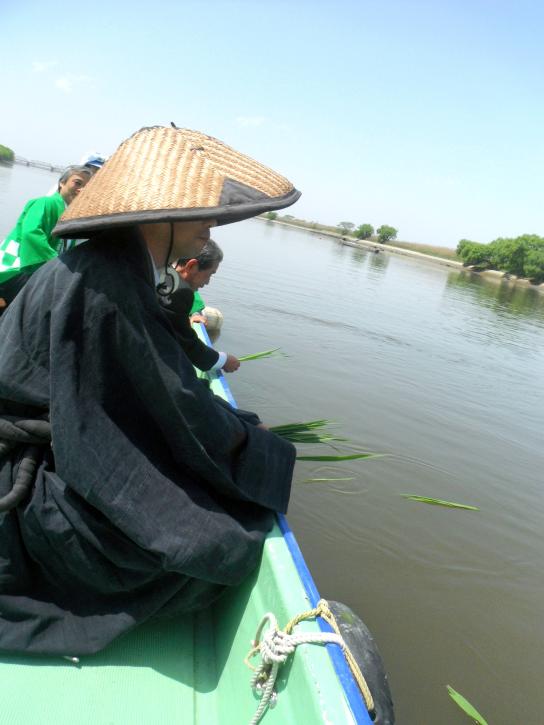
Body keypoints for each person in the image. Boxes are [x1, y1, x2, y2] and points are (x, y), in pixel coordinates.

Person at [0, 125, 301, 656]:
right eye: (201, 210)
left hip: (37, 445)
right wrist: (261, 448)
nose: (210, 225)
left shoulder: (107, 265)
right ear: (162, 211)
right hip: (22, 486)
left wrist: (240, 431)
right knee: (222, 548)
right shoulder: (108, 281)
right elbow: (167, 403)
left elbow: (154, 387)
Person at [0, 165, 92, 312]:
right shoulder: (45, 203)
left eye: (86, 187)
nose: (81, 189)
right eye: (77, 183)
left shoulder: (71, 215)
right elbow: (31, 232)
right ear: (62, 183)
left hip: (36, 272)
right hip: (16, 269)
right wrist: (56, 264)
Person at [161, 239, 239, 373]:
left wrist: (187, 319)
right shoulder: (181, 292)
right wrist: (223, 360)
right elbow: (187, 344)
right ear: (191, 266)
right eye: (210, 274)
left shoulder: (162, 271)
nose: (208, 282)